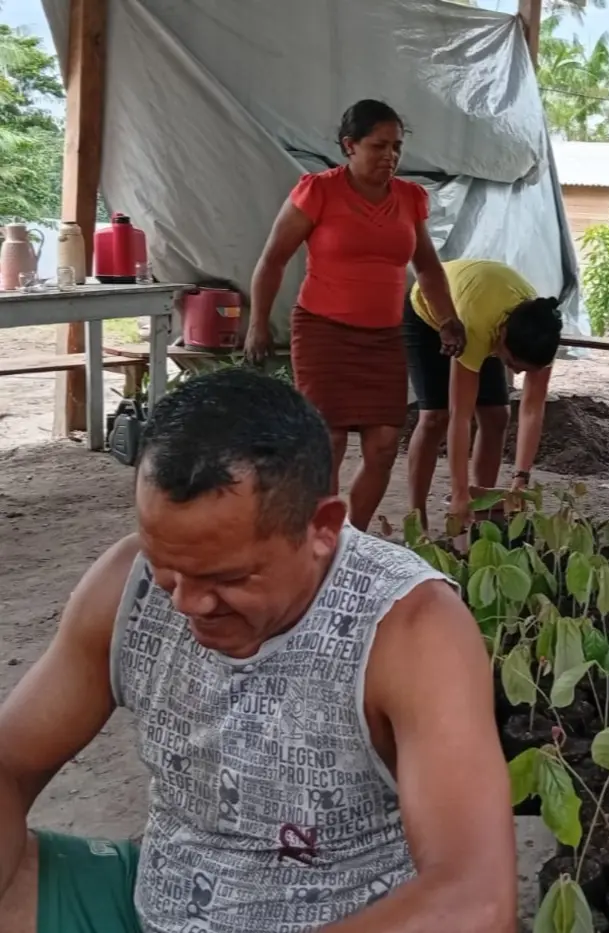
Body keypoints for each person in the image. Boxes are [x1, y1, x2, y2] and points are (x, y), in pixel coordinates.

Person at [0, 369, 516, 933]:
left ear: (322, 528)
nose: (187, 603)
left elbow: (473, 898)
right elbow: (10, 762)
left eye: (227, 577)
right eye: (167, 565)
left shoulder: (410, 628)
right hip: (156, 900)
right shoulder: (126, 587)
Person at [244, 99, 462, 532]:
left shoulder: (409, 199)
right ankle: (317, 534)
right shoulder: (318, 192)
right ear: (349, 146)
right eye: (379, 146)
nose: (390, 156)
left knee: (384, 445)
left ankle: (351, 538)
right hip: (323, 332)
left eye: (396, 147)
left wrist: (447, 319)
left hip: (384, 338)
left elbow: (428, 268)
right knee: (329, 440)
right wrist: (257, 325)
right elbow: (273, 259)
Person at [402, 259, 564, 525]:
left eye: (524, 369)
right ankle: (418, 521)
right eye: (511, 364)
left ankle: (480, 511)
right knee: (435, 417)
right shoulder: (477, 328)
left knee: (497, 416)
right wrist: (458, 492)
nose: (518, 374)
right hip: (429, 309)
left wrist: (520, 481)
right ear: (501, 337)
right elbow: (460, 416)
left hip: (485, 306)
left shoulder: (542, 334)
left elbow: (532, 410)